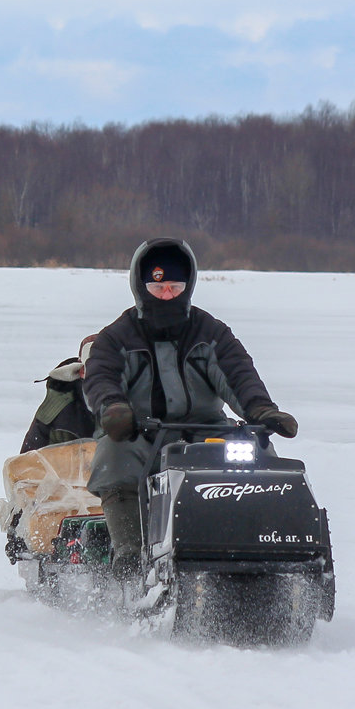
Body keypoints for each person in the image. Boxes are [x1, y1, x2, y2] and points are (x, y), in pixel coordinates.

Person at [82, 238, 298, 576]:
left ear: (189, 285)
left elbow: (238, 374)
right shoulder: (117, 337)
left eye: (175, 286)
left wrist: (262, 411)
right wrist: (113, 409)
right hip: (140, 434)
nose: (167, 294)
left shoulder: (210, 332)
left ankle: (266, 545)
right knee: (113, 454)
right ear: (142, 286)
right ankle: (130, 553)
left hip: (205, 433)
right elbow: (101, 377)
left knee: (259, 453)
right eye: (159, 286)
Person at [20, 334, 98, 453]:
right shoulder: (57, 409)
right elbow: (26, 465)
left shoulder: (135, 404)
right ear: (81, 371)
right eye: (95, 370)